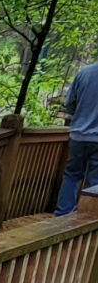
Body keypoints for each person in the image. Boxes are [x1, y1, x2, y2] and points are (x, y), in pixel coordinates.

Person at [55, 61, 98, 216]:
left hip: (79, 135)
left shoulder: (84, 72)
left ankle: (62, 215)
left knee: (72, 175)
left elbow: (69, 103)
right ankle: (86, 218)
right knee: (94, 183)